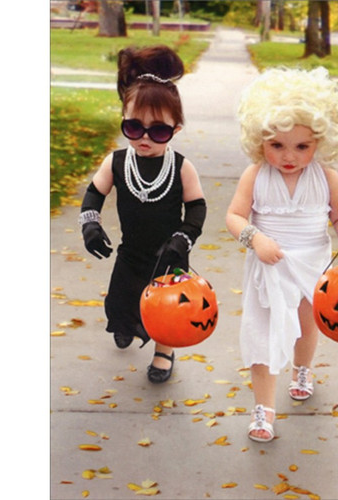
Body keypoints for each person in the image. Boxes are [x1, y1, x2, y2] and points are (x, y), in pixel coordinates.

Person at [226, 67, 338, 442]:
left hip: (311, 263)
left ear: (321, 142)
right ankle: (263, 409)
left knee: (308, 325)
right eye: (277, 146)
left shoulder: (327, 178)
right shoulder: (255, 176)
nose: (289, 156)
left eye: (301, 147)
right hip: (268, 265)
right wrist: (255, 239)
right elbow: (234, 217)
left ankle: (301, 368)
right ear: (260, 141)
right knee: (263, 333)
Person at [79, 45, 206, 384]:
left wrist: (183, 237)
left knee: (168, 309)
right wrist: (90, 225)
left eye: (159, 130)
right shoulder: (117, 162)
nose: (145, 138)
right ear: (124, 121)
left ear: (175, 129)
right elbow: (94, 194)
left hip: (170, 253)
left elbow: (197, 207)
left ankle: (164, 352)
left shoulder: (181, 167)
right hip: (131, 251)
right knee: (121, 302)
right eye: (134, 127)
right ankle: (126, 324)